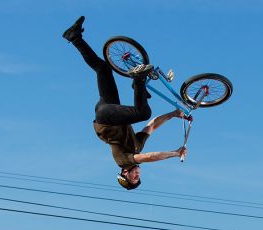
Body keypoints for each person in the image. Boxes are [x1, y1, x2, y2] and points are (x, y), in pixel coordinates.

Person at [62, 16, 187, 190]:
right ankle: (74, 37)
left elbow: (149, 157)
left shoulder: (122, 161)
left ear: (124, 174)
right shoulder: (136, 146)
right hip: (110, 112)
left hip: (105, 119)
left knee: (142, 112)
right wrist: (172, 115)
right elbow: (151, 127)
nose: (137, 174)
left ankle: (138, 80)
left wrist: (175, 153)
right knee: (103, 69)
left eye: (133, 177)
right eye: (138, 177)